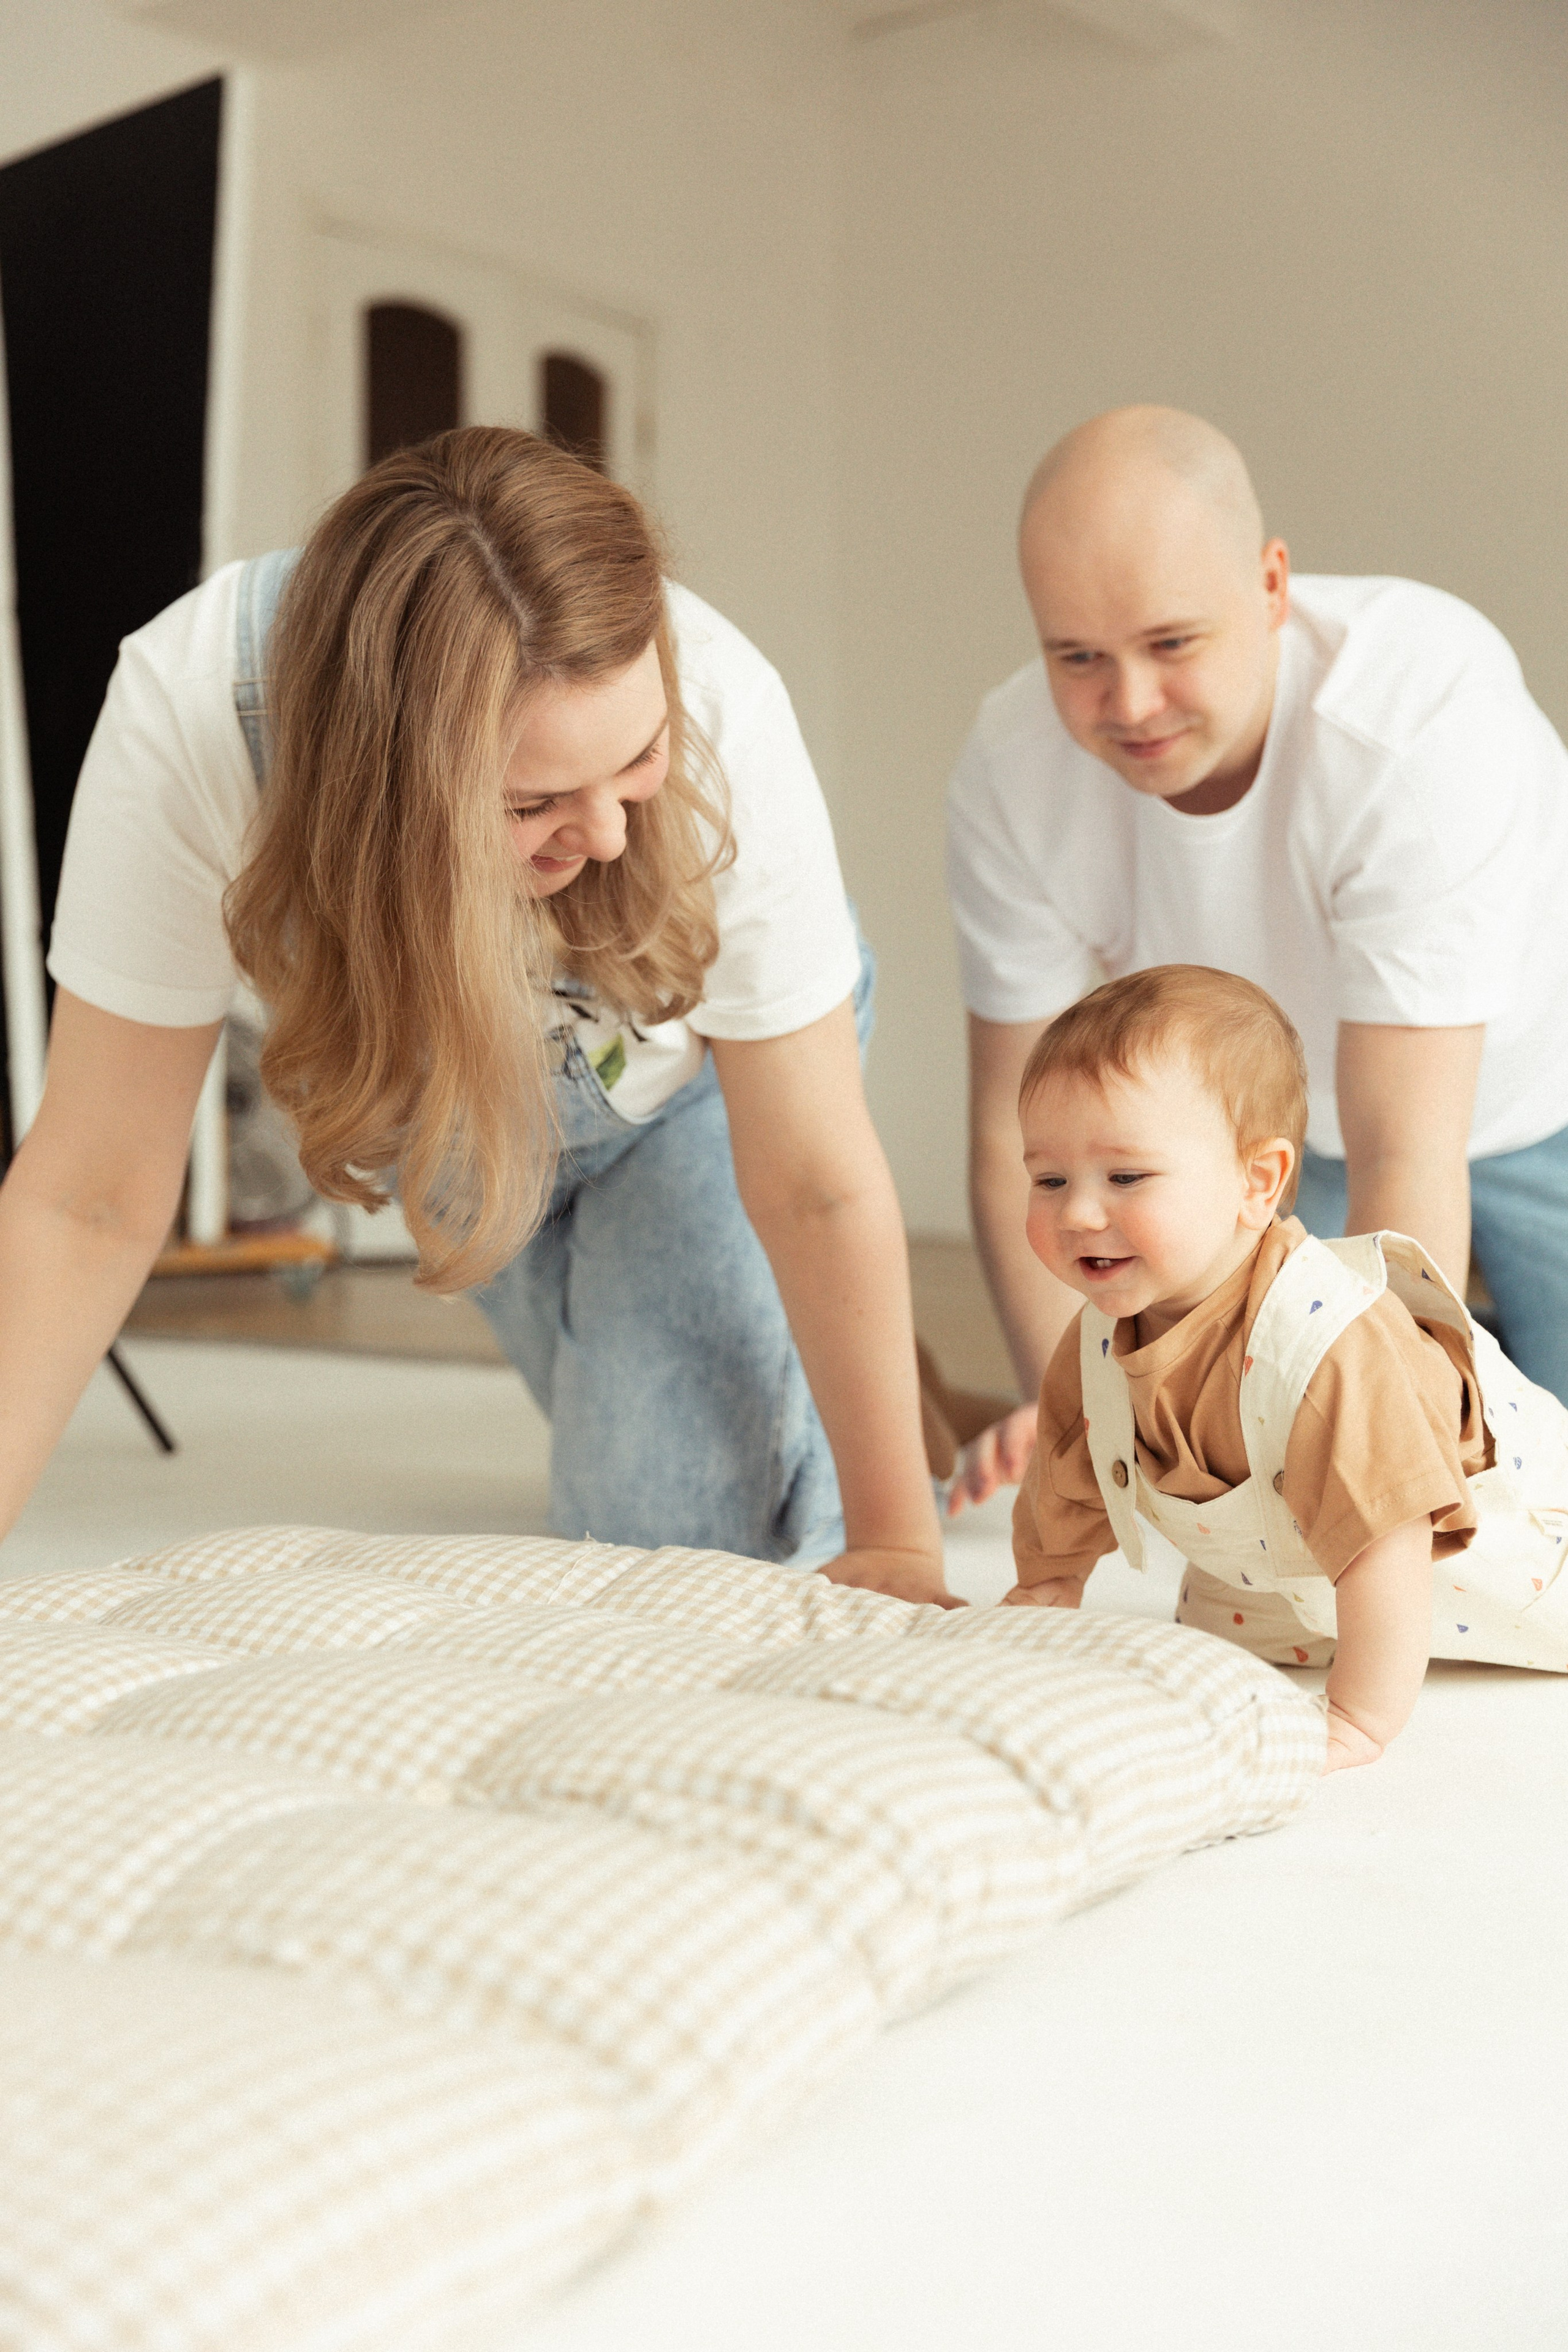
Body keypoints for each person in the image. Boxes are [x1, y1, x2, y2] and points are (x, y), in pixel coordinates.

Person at [2, 426, 952, 1604]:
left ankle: (809, 1377)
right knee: (645, 1387)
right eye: (534, 801)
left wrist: (901, 1543)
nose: (607, 835)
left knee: (669, 1536)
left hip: (705, 1086)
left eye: (640, 761)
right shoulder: (190, 713)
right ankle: (772, 1362)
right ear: (385, 782)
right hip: (451, 1099)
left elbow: (812, 1178)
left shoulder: (725, 696)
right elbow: (87, 1193)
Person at [946, 403, 1568, 1513]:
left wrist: (1387, 1461)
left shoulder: (1412, 717)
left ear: (1273, 587)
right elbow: (1015, 1130)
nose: (1128, 705)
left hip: (1533, 1103)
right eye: (1078, 657)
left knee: (1508, 1491)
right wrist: (1079, 1418)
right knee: (1226, 1450)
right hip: (1283, 1135)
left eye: (1172, 644)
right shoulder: (1013, 766)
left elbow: (1406, 1147)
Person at [1004, 966, 1568, 1772]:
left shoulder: (1334, 1344)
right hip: (1281, 1592)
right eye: (1049, 1179)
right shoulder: (1100, 1344)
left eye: (1125, 1176)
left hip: (1505, 1554)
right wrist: (1042, 1599)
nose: (1077, 1212)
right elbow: (1067, 1484)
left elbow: (1387, 1545)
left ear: (1256, 1182)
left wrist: (1359, 1719)